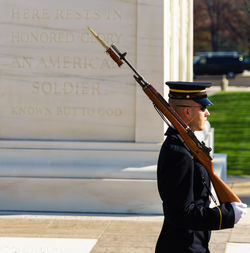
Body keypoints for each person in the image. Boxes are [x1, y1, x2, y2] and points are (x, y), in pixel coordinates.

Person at [155, 82, 247, 253]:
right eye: (203, 107)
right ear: (187, 112)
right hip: (183, 247)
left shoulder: (185, 146)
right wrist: (225, 215)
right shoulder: (179, 153)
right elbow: (181, 213)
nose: (207, 113)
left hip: (191, 243)